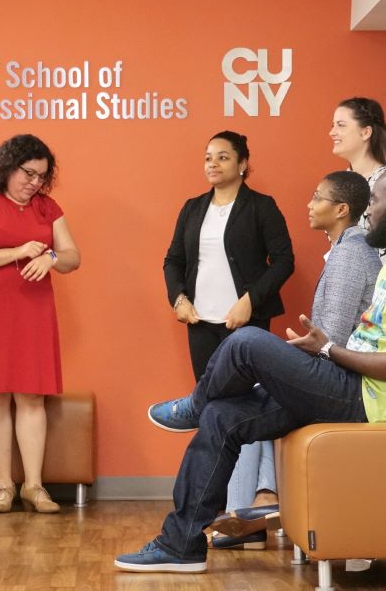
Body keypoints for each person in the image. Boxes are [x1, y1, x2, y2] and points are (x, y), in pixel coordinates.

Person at [114, 171, 386, 574]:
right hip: (342, 383)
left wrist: (320, 350)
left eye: (377, 202)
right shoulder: (376, 263)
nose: (371, 212)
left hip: (360, 395)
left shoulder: (353, 252)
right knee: (220, 416)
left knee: (247, 342)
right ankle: (181, 544)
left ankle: (193, 404)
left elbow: (334, 341)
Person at [208, 170, 381, 547]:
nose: (308, 204)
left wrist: (292, 362)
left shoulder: (351, 255)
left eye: (317, 198)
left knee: (251, 366)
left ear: (340, 209)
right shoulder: (344, 250)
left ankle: (255, 505)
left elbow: (330, 338)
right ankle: (253, 506)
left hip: (341, 380)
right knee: (250, 393)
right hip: (338, 371)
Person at [149, 131, 294, 536]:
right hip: (201, 325)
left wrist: (250, 299)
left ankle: (241, 513)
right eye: (208, 157)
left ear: (243, 163)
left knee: (243, 414)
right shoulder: (193, 208)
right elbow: (172, 260)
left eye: (223, 157)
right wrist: (178, 299)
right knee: (214, 414)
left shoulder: (261, 207)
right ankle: (225, 516)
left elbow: (284, 261)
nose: (212, 164)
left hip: (246, 327)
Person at [0, 134, 80, 513]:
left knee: (31, 395)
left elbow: (73, 256)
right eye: (28, 173)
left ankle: (34, 486)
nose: (34, 183)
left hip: (32, 309)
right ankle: (4, 486)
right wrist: (18, 252)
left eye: (41, 176)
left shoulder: (47, 207)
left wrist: (52, 256)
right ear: (7, 167)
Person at [330, 97, 386, 233]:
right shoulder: (341, 185)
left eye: (341, 125)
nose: (332, 133)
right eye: (333, 125)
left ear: (366, 132)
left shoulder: (383, 185)